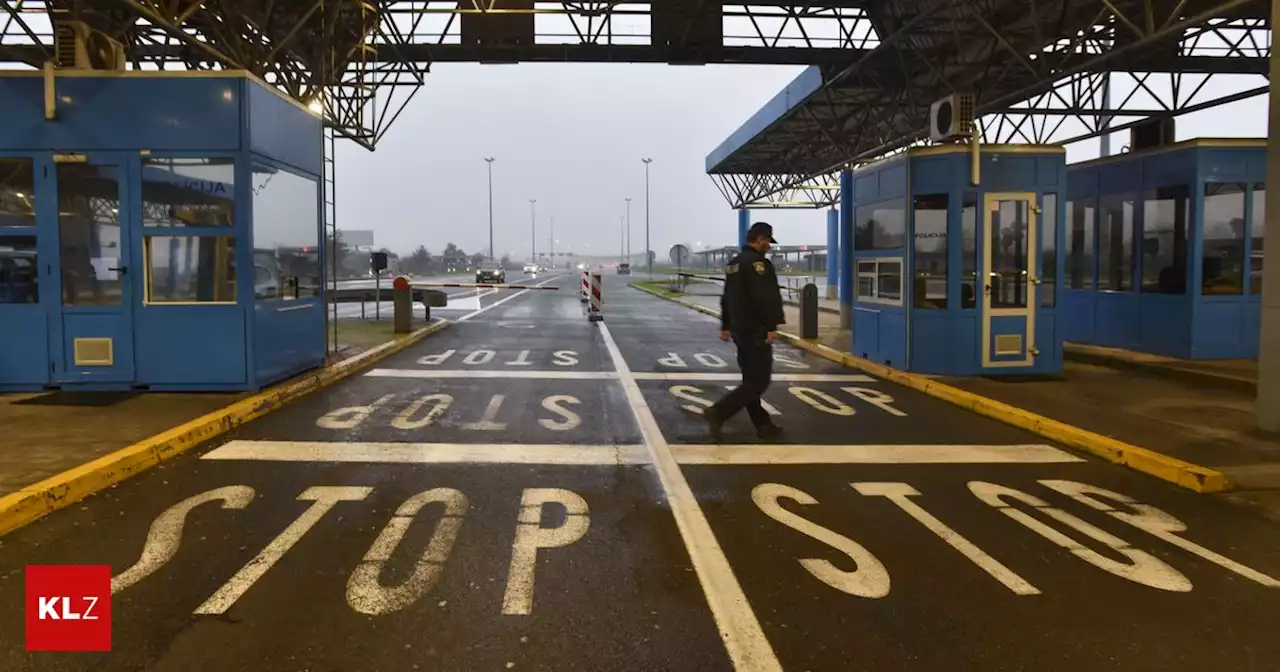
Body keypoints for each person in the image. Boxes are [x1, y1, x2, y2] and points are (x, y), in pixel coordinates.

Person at [705, 221, 785, 441]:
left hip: (740, 330)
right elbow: (766, 298)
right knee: (759, 381)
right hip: (756, 330)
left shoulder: (734, 264)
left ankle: (763, 425)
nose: (769, 245)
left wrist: (726, 326)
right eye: (768, 240)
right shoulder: (759, 265)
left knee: (751, 380)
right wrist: (771, 326)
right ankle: (719, 412)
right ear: (760, 238)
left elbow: (727, 297)